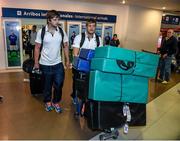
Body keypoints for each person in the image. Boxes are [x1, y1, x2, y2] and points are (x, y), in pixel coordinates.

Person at [34, 10, 70, 113]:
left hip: (58, 63)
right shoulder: (42, 32)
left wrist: (67, 60)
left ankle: (56, 102)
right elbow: (37, 47)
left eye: (58, 19)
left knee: (59, 84)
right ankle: (48, 102)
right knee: (47, 85)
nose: (57, 21)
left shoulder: (62, 32)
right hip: (45, 64)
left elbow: (66, 46)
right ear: (49, 20)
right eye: (55, 19)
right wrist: (36, 62)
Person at [71, 18, 102, 103]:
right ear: (86, 27)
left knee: (89, 84)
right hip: (79, 66)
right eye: (89, 26)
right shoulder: (79, 37)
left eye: (93, 26)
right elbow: (75, 54)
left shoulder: (99, 39)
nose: (91, 28)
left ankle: (87, 99)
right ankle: (75, 96)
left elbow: (99, 54)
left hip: (92, 67)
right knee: (77, 83)